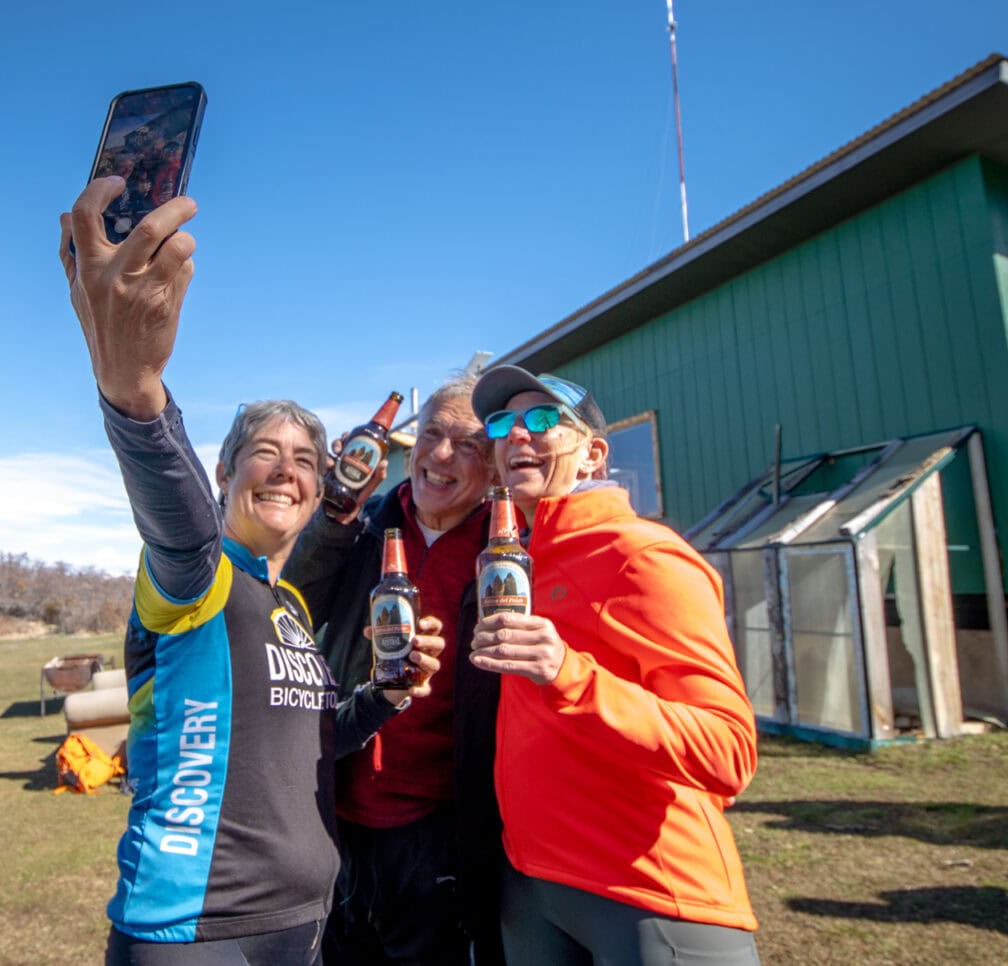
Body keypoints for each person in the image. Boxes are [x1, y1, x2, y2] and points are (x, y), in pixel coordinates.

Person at [58, 176, 447, 965]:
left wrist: (387, 697)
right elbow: (174, 514)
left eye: (305, 460)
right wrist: (135, 394)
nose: (286, 472)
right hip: (193, 928)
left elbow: (311, 742)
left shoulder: (290, 604)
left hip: (301, 922)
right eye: (264, 453)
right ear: (225, 471)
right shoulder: (195, 578)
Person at [469, 366, 760, 966]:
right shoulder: (512, 559)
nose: (518, 434)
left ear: (592, 455)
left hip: (647, 896)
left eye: (544, 420)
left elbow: (729, 752)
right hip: (531, 887)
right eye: (503, 422)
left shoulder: (643, 555)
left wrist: (570, 674)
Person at [283, 374, 506, 965]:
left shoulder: (508, 550)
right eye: (432, 433)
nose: (440, 455)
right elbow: (291, 601)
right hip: (331, 803)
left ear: (494, 467)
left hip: (438, 825)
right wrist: (334, 518)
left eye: (468, 445)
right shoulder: (363, 524)